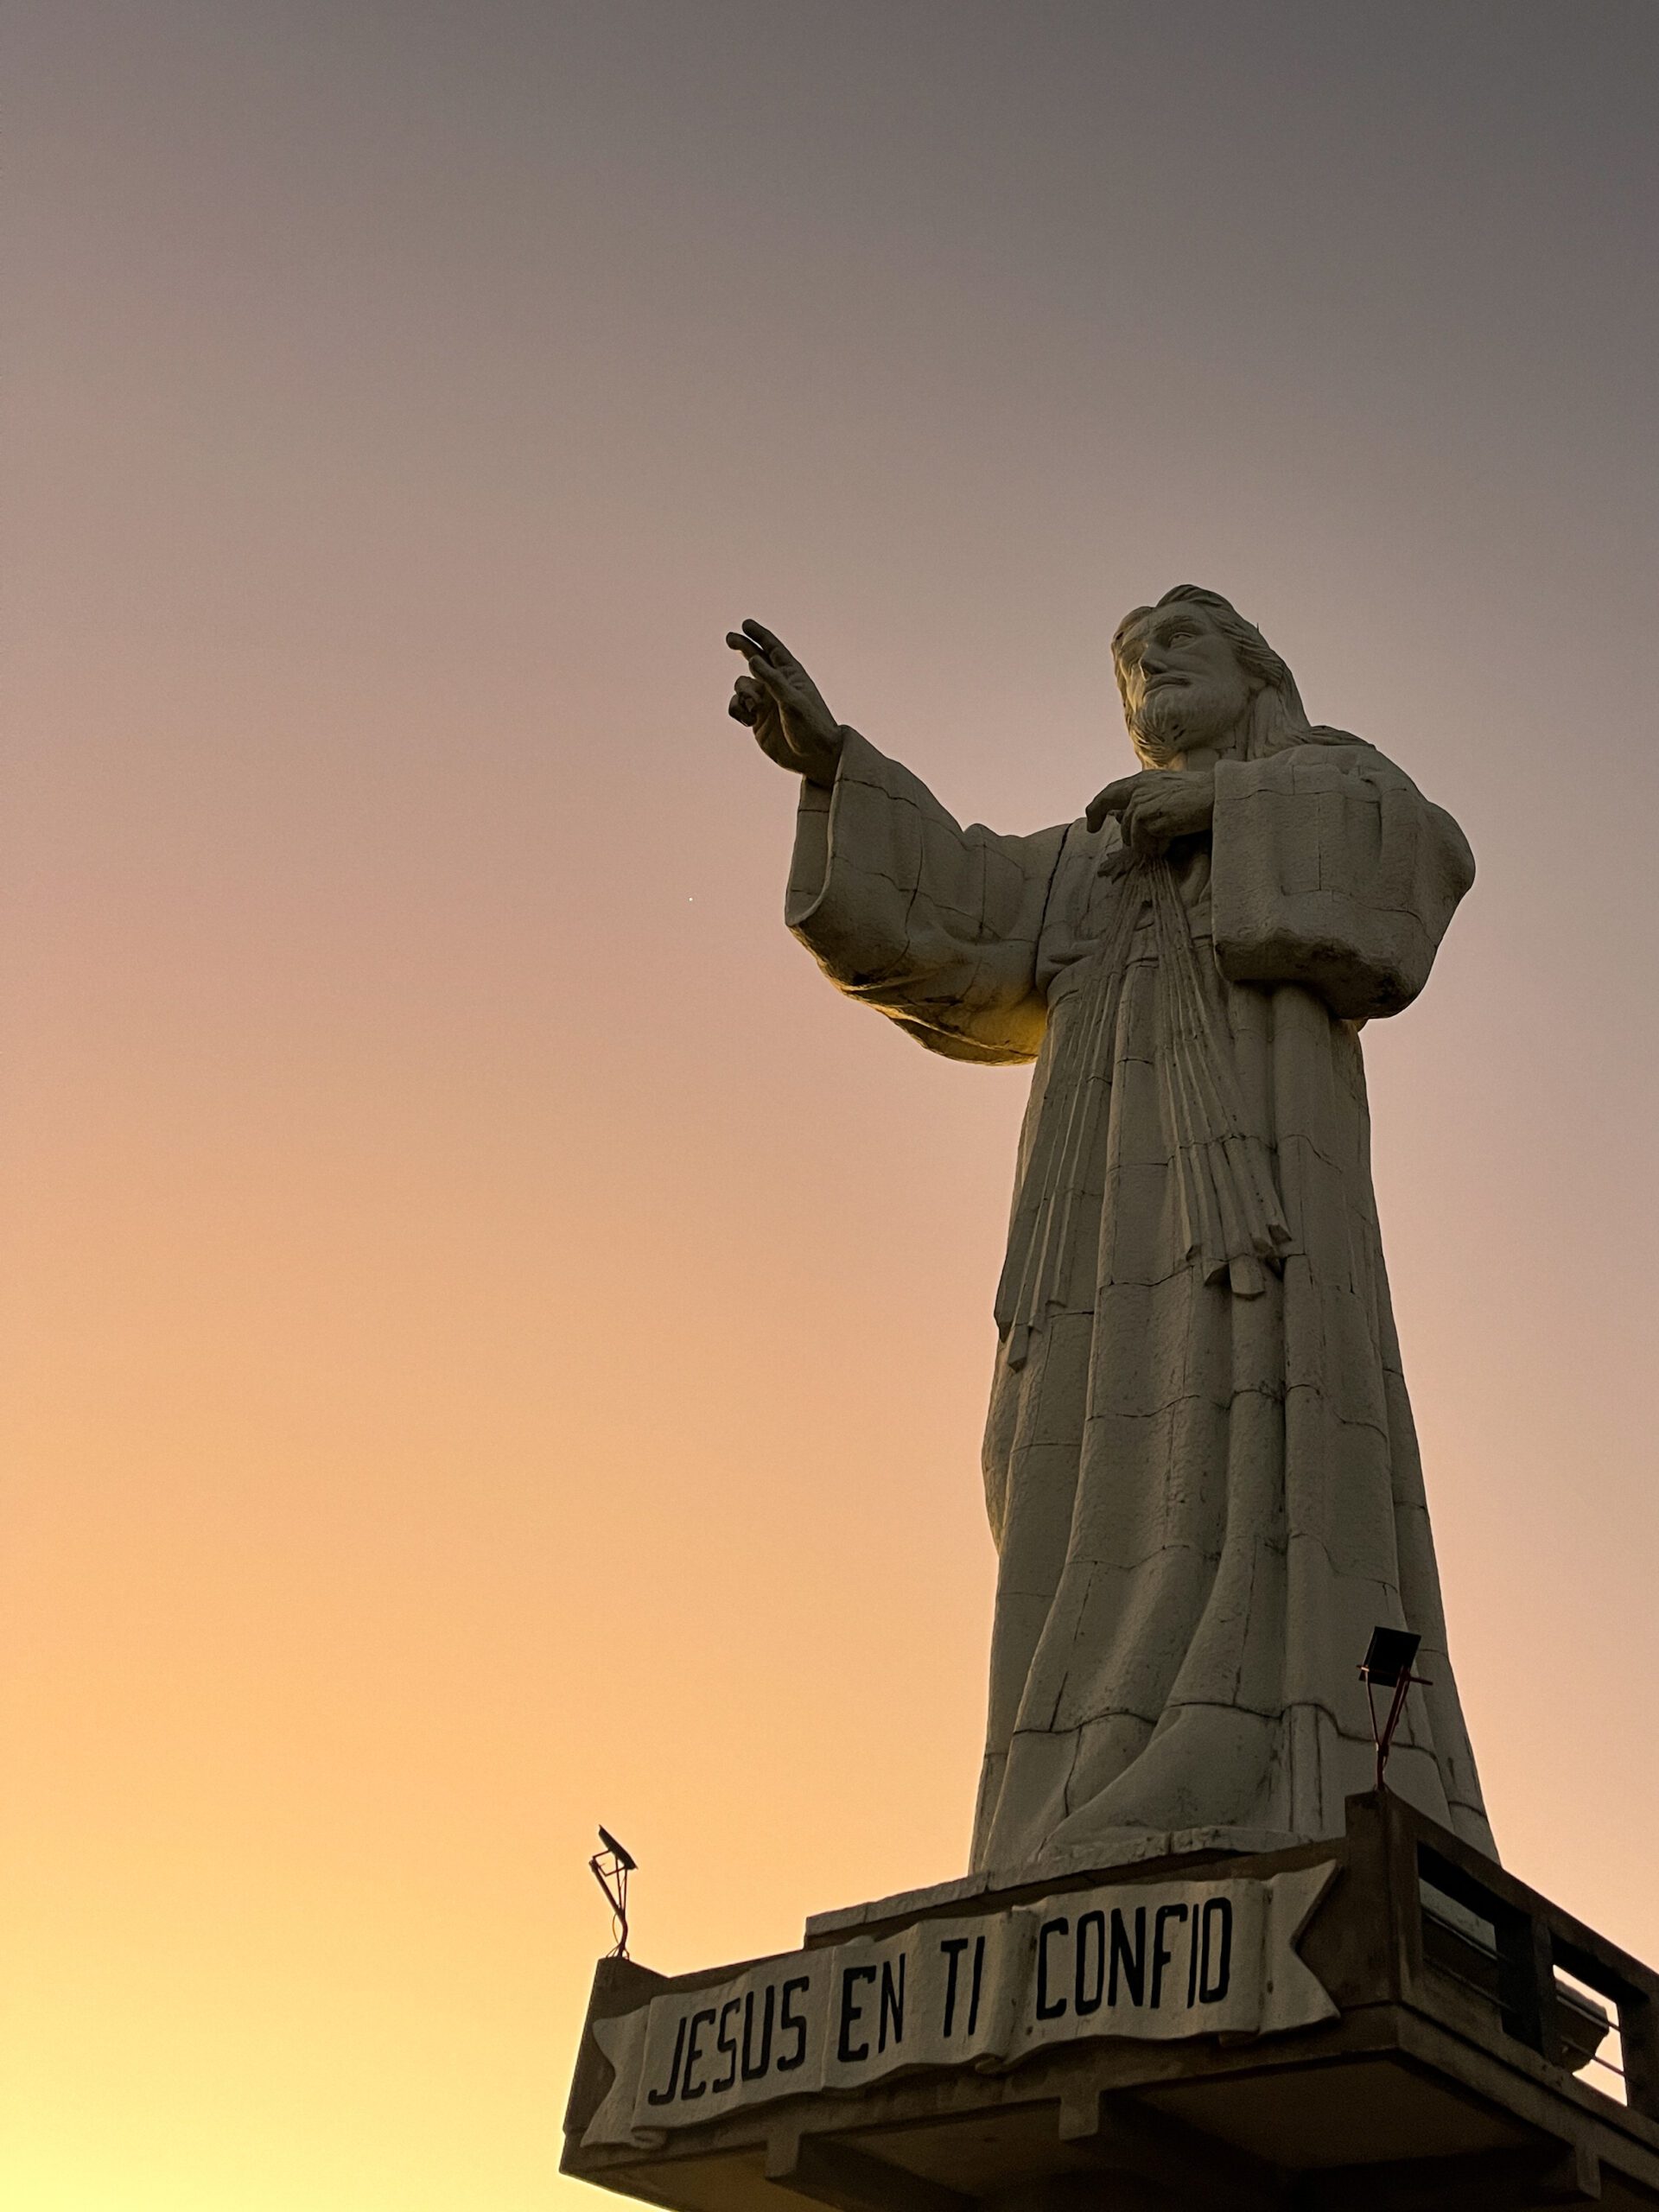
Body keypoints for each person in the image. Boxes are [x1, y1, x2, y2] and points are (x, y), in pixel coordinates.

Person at [728, 589, 1494, 1877]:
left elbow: (1417, 855)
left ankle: (1250, 1771)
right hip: (1086, 1242)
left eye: (1177, 649)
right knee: (1048, 1460)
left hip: (1252, 1212)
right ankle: (1077, 1793)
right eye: (1130, 670)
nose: (1147, 679)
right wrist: (834, 759)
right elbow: (953, 913)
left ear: (1260, 670)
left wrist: (1224, 815)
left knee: (1248, 1424)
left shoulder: (1321, 781)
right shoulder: (1094, 849)